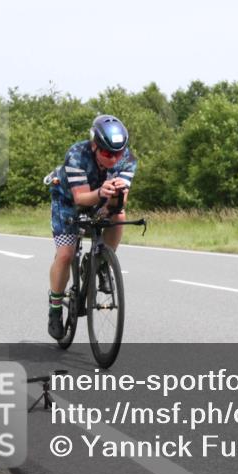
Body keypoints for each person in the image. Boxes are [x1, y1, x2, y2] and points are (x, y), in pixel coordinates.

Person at [45, 115, 137, 339]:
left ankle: (102, 261)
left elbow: (119, 203)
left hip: (99, 198)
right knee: (66, 254)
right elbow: (80, 198)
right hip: (68, 201)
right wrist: (100, 193)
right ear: (95, 145)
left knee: (119, 214)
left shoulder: (128, 159)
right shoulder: (77, 155)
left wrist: (115, 197)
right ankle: (55, 308)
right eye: (107, 153)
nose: (113, 159)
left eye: (117, 153)